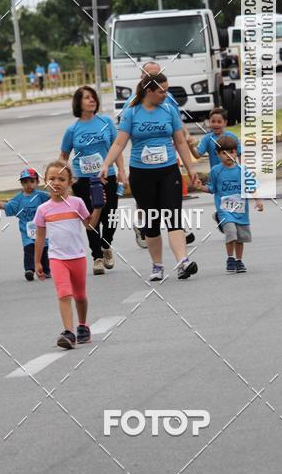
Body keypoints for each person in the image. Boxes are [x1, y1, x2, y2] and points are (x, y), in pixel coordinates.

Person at [100, 73, 199, 281]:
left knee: (173, 217)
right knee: (151, 222)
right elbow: (119, 143)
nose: (166, 94)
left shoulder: (169, 110)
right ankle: (157, 266)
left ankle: (183, 262)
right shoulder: (131, 113)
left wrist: (190, 169)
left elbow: (180, 141)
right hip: (142, 174)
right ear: (149, 91)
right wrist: (106, 164)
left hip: (168, 171)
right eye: (162, 91)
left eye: (167, 90)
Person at [33, 161, 103, 349]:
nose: (56, 182)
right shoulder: (43, 209)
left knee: (80, 296)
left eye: (61, 179)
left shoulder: (77, 203)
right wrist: (37, 262)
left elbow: (90, 226)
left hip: (77, 257)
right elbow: (40, 237)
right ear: (45, 181)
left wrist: (98, 207)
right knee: (64, 293)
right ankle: (68, 332)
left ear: (70, 182)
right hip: (56, 259)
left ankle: (82, 325)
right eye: (52, 178)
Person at [60, 86, 126, 275]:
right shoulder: (72, 130)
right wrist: (65, 179)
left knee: (110, 215)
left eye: (93, 97)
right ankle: (97, 257)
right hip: (83, 179)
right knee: (91, 218)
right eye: (87, 98)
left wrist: (121, 171)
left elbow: (116, 147)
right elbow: (64, 156)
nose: (92, 100)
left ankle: (106, 244)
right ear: (78, 103)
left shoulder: (106, 122)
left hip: (107, 176)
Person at [197, 135, 263, 273]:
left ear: (236, 153)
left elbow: (251, 187)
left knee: (240, 237)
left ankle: (239, 260)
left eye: (231, 152)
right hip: (224, 210)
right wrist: (200, 187)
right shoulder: (216, 171)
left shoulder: (242, 170)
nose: (228, 156)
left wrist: (258, 200)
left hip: (241, 210)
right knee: (231, 233)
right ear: (217, 154)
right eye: (224, 153)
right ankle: (230, 258)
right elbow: (212, 189)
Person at [0, 168, 51, 281]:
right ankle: (29, 269)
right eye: (25, 182)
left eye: (31, 181)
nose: (28, 184)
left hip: (42, 230)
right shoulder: (18, 199)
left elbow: (54, 198)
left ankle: (46, 269)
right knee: (29, 249)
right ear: (21, 183)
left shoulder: (41, 196)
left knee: (43, 249)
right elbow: (7, 206)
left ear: (37, 182)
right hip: (27, 232)